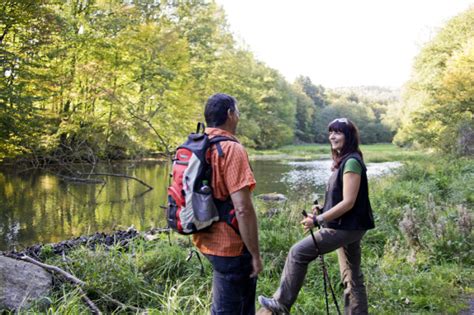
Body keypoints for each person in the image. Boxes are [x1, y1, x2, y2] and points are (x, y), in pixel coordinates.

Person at [258, 118, 375, 315]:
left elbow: (349, 202)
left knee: (298, 253)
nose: (332, 136)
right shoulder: (345, 161)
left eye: (338, 132)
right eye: (330, 132)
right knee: (352, 276)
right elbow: (341, 199)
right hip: (350, 226)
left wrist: (318, 220)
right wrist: (323, 208)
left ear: (349, 137)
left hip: (345, 227)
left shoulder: (352, 162)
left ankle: (281, 304)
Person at [193, 93, 263, 314]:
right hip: (230, 245)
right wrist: (255, 254)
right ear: (230, 114)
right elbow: (242, 208)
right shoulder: (232, 149)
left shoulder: (199, 144)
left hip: (203, 236)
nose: (239, 117)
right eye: (238, 112)